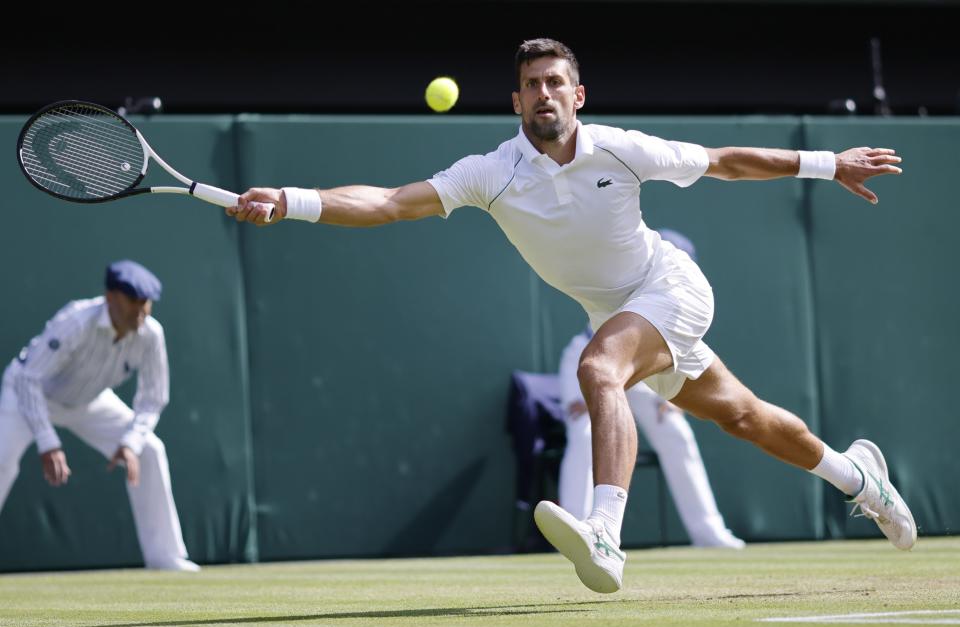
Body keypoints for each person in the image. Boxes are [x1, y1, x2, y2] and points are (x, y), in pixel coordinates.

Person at [226, 38, 914, 593]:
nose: (545, 93)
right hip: (620, 309)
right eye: (533, 84)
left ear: (577, 95)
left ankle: (605, 534)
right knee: (744, 416)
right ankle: (860, 476)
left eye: (557, 82)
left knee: (598, 366)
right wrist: (291, 198)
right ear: (517, 100)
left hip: (669, 286)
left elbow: (723, 161)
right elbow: (387, 202)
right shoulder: (490, 171)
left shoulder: (620, 146)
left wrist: (829, 163)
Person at [0, 260, 199, 572]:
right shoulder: (76, 321)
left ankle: (166, 557)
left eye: (146, 302)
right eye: (133, 301)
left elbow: (152, 398)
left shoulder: (151, 335)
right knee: (2, 460)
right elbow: (28, 379)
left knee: (149, 450)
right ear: (111, 298)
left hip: (88, 401)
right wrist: (47, 440)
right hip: (28, 395)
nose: (141, 311)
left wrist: (131, 442)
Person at [559, 230, 743, 549]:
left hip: (646, 360)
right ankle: (575, 530)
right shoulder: (628, 266)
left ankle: (709, 531)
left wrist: (674, 396)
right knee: (584, 431)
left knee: (675, 430)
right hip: (592, 356)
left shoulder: (681, 291)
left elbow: (676, 338)